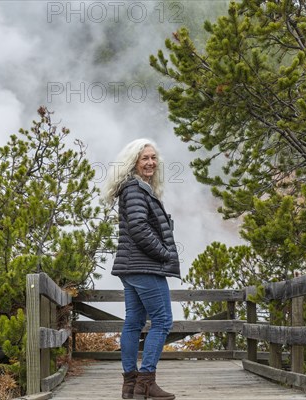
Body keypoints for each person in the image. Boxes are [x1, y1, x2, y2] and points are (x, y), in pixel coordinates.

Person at [103, 139, 180, 400]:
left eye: (153, 158)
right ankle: (146, 382)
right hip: (144, 266)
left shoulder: (135, 188)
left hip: (131, 266)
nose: (150, 162)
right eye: (145, 158)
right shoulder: (136, 189)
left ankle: (130, 385)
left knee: (134, 323)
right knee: (162, 321)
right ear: (134, 161)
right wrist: (164, 253)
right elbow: (138, 228)